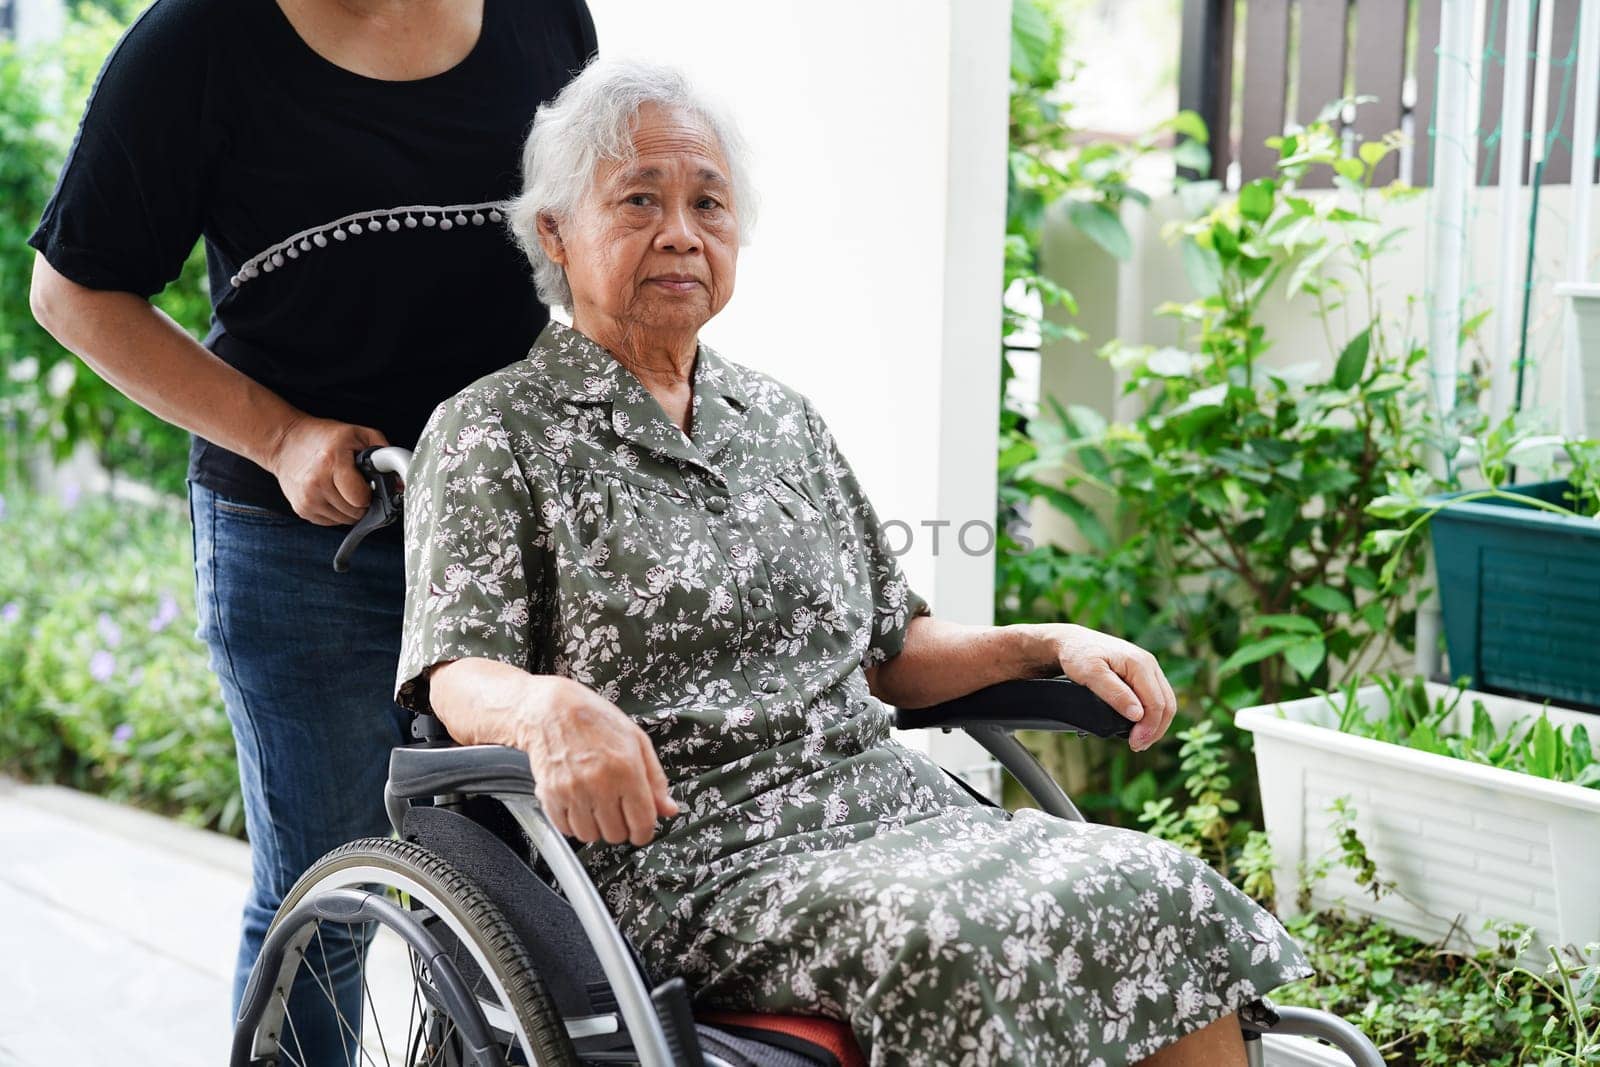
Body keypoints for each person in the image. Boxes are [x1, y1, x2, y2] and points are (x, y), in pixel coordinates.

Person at [394, 58, 1313, 1067]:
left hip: (883, 807)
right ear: (554, 234)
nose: (680, 232)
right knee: (957, 946)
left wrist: (1041, 642)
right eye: (640, 201)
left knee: (1157, 883)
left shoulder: (782, 420)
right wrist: (543, 708)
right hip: (686, 856)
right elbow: (456, 667)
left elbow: (892, 648)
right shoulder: (493, 429)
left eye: (708, 202)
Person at [26, 0, 596, 1057]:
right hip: (305, 543)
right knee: (323, 900)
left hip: (499, 538)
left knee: (514, 905)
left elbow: (585, 236)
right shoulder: (199, 41)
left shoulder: (541, 16)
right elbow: (70, 292)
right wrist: (280, 433)